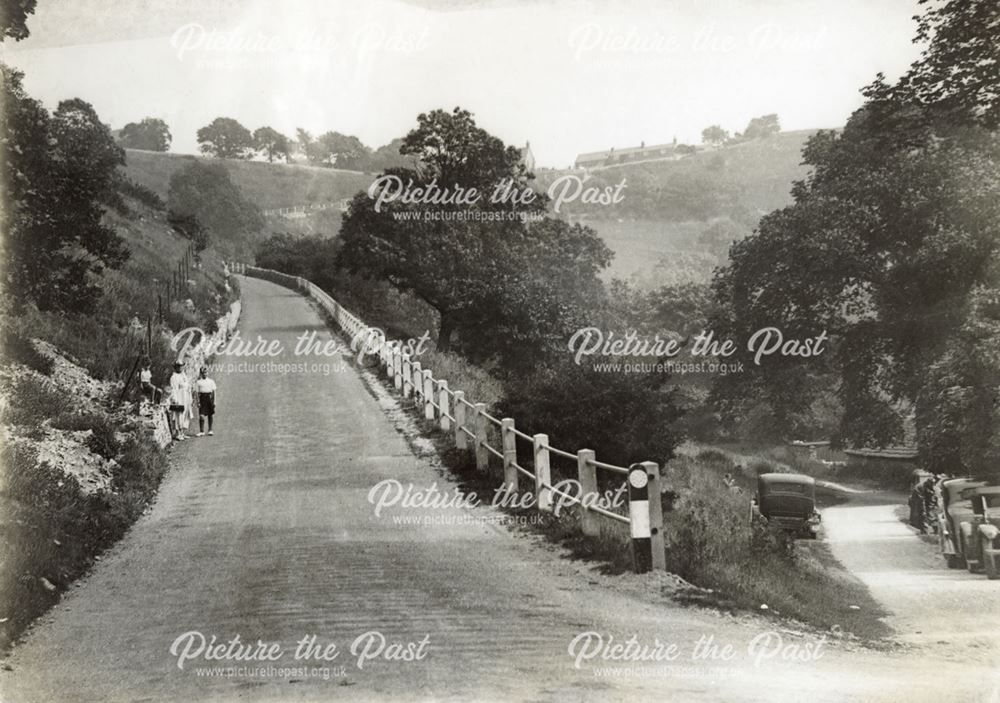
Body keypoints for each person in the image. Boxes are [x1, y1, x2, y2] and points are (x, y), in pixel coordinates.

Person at [168, 362, 192, 441]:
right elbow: (174, 389)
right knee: (179, 415)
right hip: (179, 397)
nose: (180, 368)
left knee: (185, 414)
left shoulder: (183, 375)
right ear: (175, 368)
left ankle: (182, 433)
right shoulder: (174, 377)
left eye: (181, 366)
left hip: (185, 396)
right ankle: (178, 433)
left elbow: (187, 385)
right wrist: (175, 399)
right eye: (178, 367)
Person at [195, 366, 217, 437]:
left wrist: (214, 401)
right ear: (201, 374)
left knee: (210, 415)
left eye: (206, 372)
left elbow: (214, 392)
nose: (205, 374)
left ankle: (210, 430)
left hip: (209, 398)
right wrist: (198, 401)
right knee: (201, 415)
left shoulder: (211, 381)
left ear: (207, 373)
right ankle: (201, 431)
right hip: (202, 398)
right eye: (203, 373)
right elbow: (197, 393)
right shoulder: (198, 382)